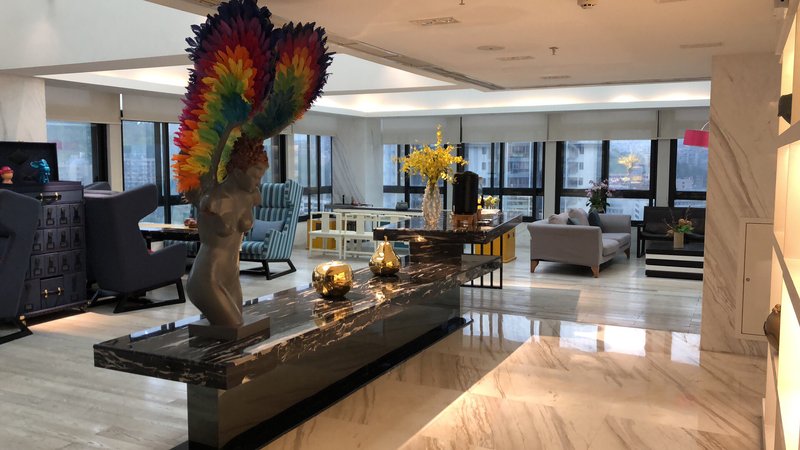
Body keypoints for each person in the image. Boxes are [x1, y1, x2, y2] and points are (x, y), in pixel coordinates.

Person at [186, 141, 268, 328]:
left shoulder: (251, 195)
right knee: (233, 326)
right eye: (255, 177)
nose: (258, 182)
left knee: (238, 332)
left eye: (261, 177)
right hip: (207, 278)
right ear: (237, 173)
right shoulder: (213, 200)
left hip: (232, 276)